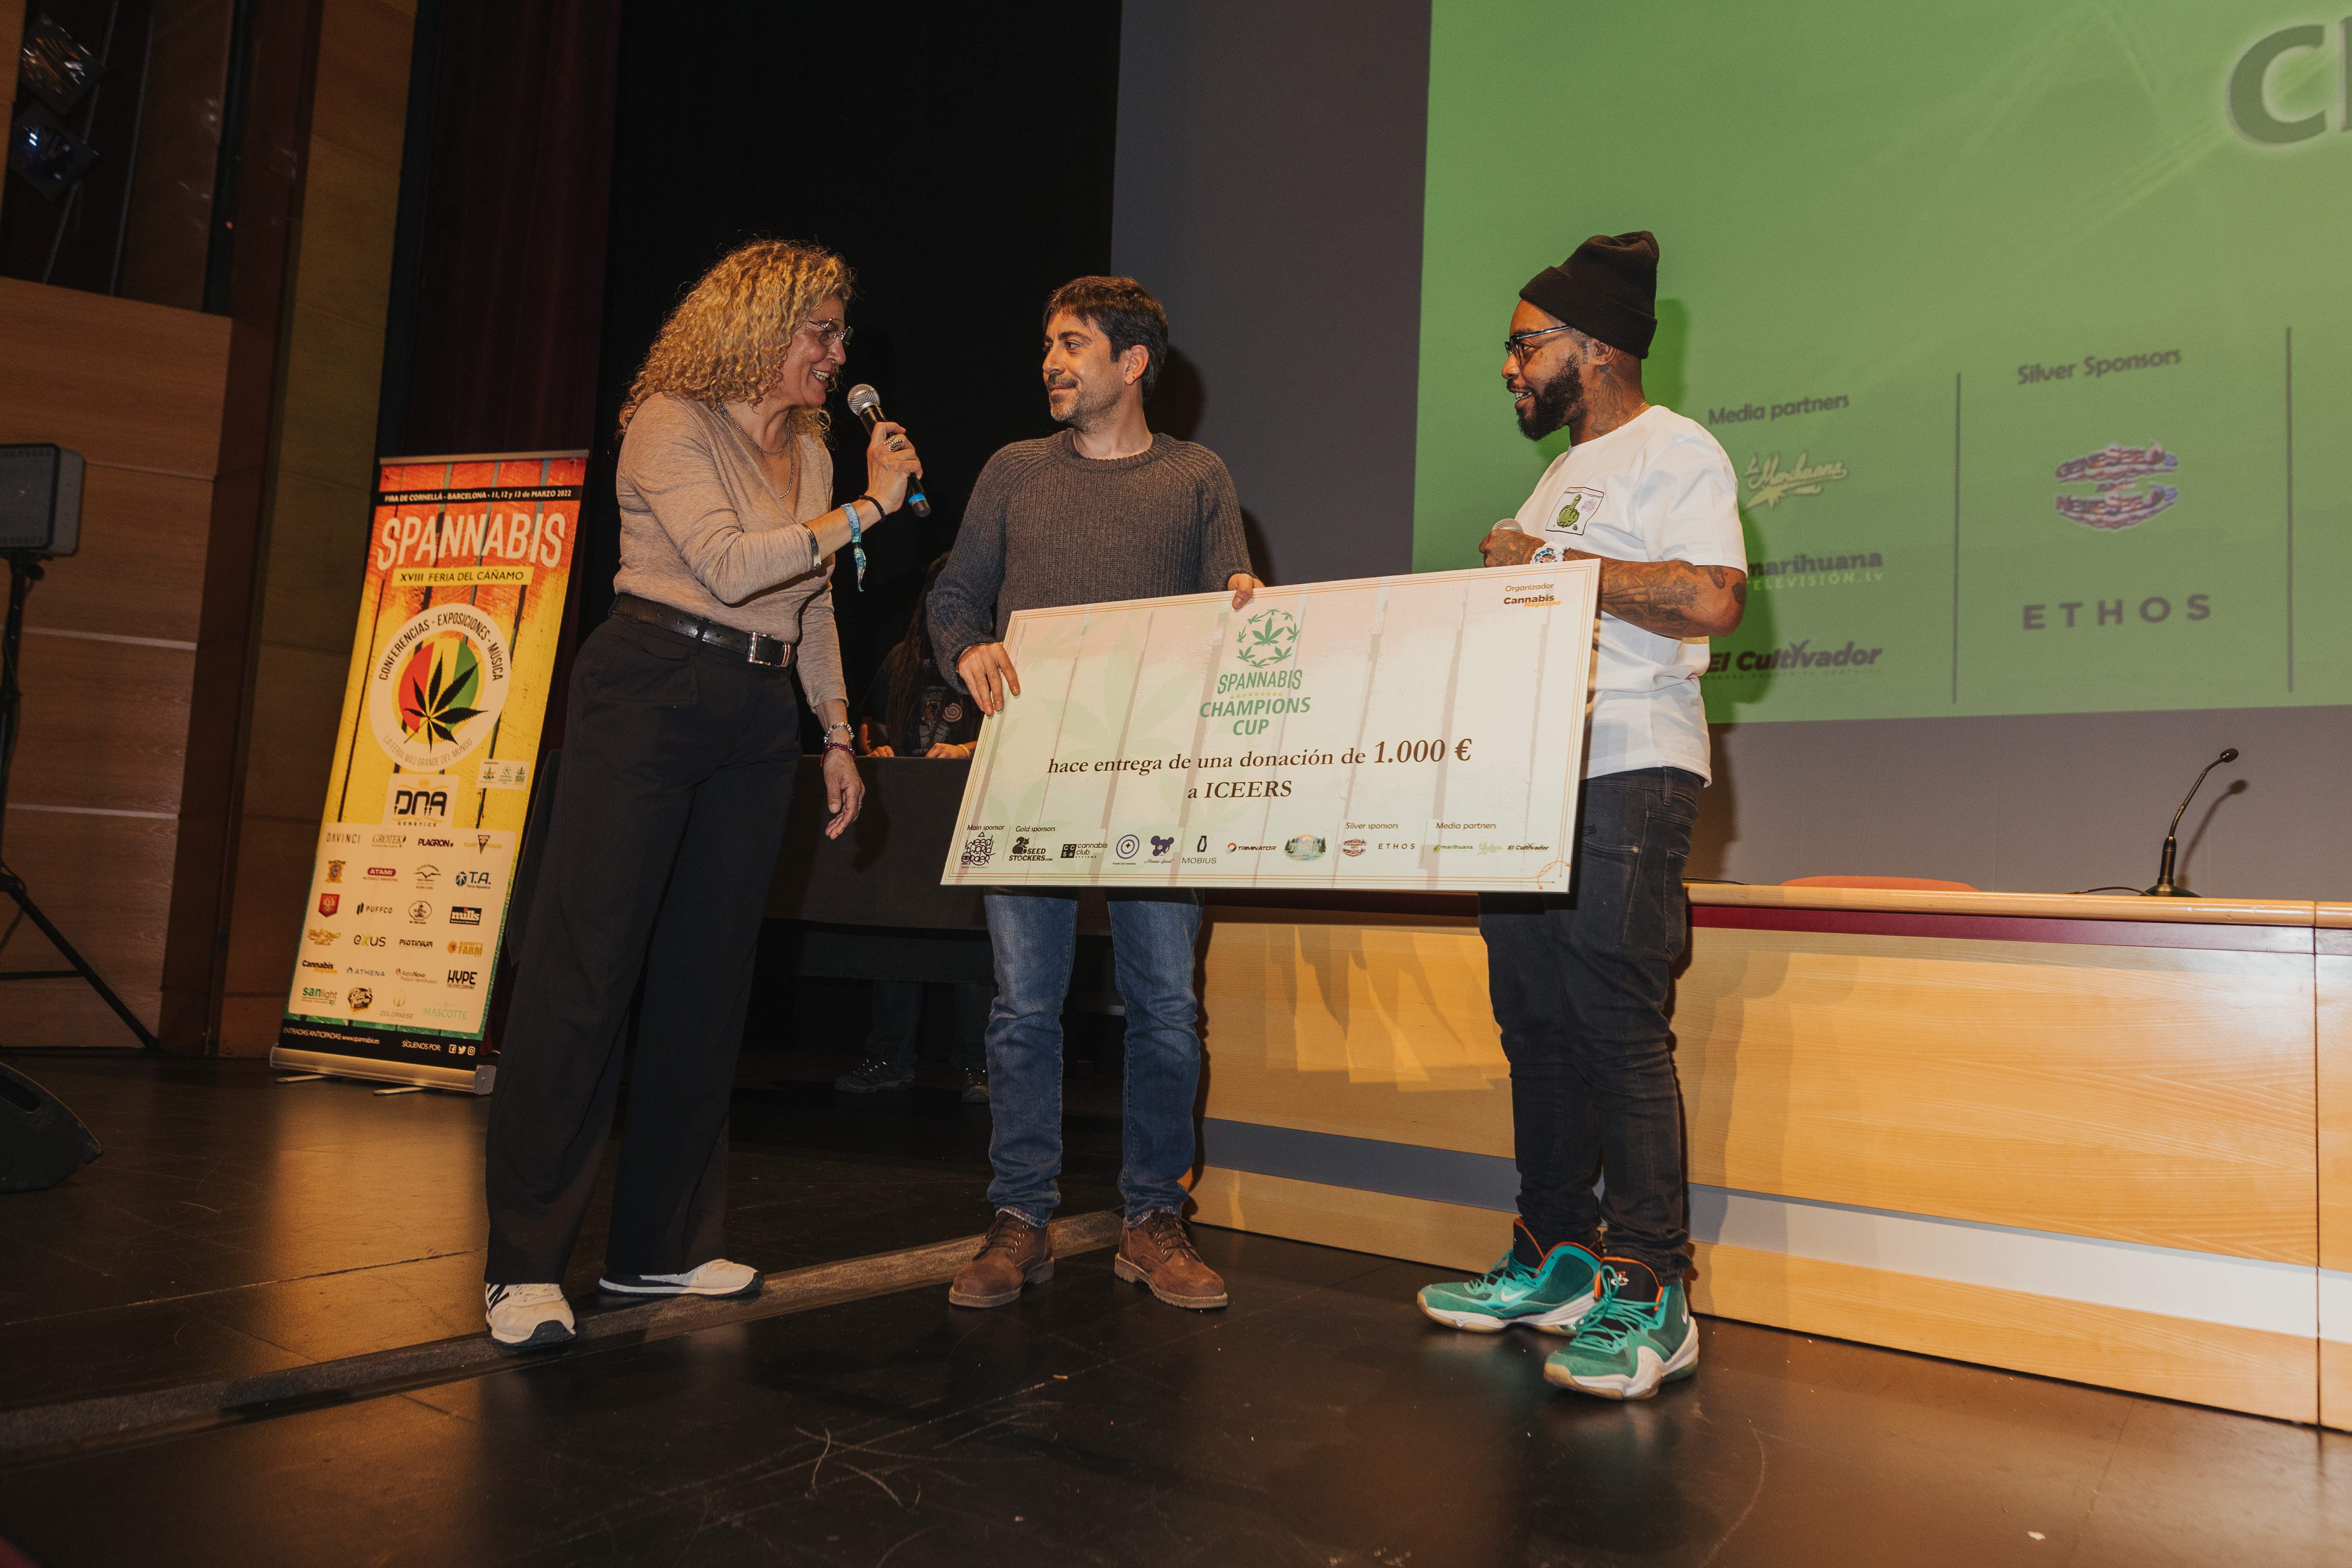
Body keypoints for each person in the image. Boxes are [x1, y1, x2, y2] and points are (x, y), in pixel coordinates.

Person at [480, 240, 923, 1350]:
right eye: (821, 331)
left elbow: (809, 602)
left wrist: (835, 731)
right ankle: (523, 1266)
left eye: (839, 334)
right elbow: (729, 566)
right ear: (759, 325)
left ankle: (659, 1249)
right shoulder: (669, 421)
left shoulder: (811, 451)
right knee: (587, 973)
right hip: (650, 685)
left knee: (707, 979)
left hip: (756, 711)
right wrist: (870, 510)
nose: (837, 354)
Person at [1414, 232, 1746, 1400]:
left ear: (1593, 346)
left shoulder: (1676, 449)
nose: (1509, 367)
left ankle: (1652, 1287)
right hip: (1528, 775)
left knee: (1613, 1020)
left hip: (1630, 766)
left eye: (1524, 345)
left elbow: (1712, 596)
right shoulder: (1555, 478)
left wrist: (1547, 563)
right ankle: (1556, 1256)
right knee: (1536, 1024)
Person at [928, 276, 1263, 1313]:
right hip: (1030, 773)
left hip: (1156, 780)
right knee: (1022, 1007)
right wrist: (965, 650)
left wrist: (1248, 611)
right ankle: (1019, 1218)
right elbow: (953, 597)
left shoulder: (1197, 477)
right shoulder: (1013, 473)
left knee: (1165, 1008)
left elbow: (1234, 606)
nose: (1050, 362)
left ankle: (1153, 1218)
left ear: (1132, 362)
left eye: (1072, 344)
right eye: (1047, 345)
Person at [836, 555, 992, 1104]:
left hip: (972, 816)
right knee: (897, 940)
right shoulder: (903, 658)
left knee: (975, 942)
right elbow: (869, 720)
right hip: (909, 820)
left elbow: (1029, 729)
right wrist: (875, 748)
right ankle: (889, 1057)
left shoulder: (997, 655)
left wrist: (969, 749)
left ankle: (980, 1065)